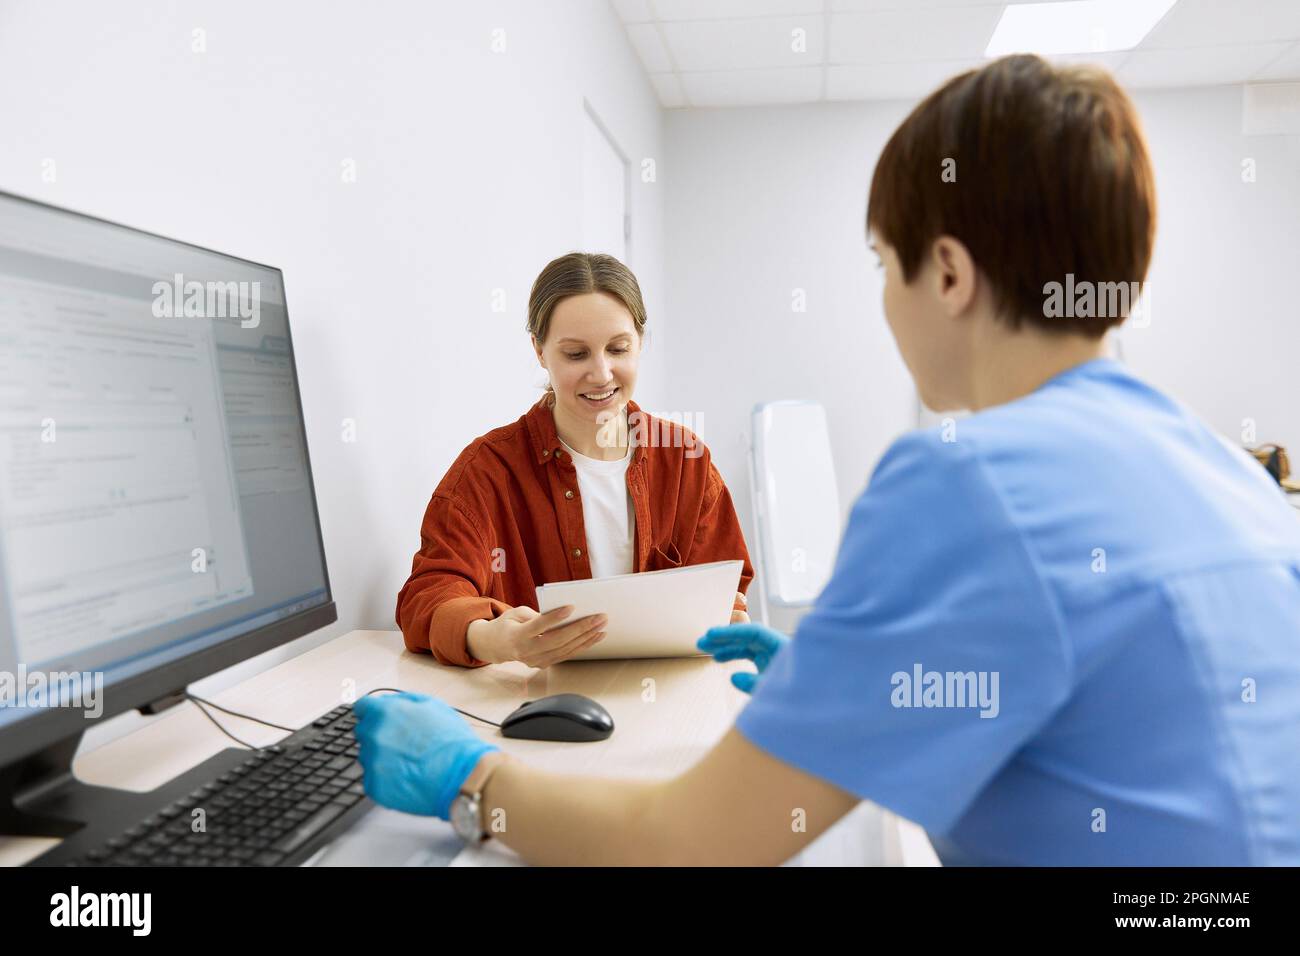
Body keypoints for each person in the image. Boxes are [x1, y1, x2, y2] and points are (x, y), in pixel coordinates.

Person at [359, 54, 1300, 865]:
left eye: (883, 263)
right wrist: (857, 676)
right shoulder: (1229, 471)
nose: (886, 305)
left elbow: (684, 845)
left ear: (947, 274)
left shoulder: (962, 478)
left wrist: (469, 775)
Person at [395, 251, 753, 669]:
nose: (601, 373)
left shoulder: (684, 459)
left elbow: (729, 585)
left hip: (666, 696)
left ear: (640, 341)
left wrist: (725, 615)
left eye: (618, 348)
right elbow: (429, 595)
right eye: (576, 354)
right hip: (531, 703)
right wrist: (492, 639)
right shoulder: (487, 470)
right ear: (540, 351)